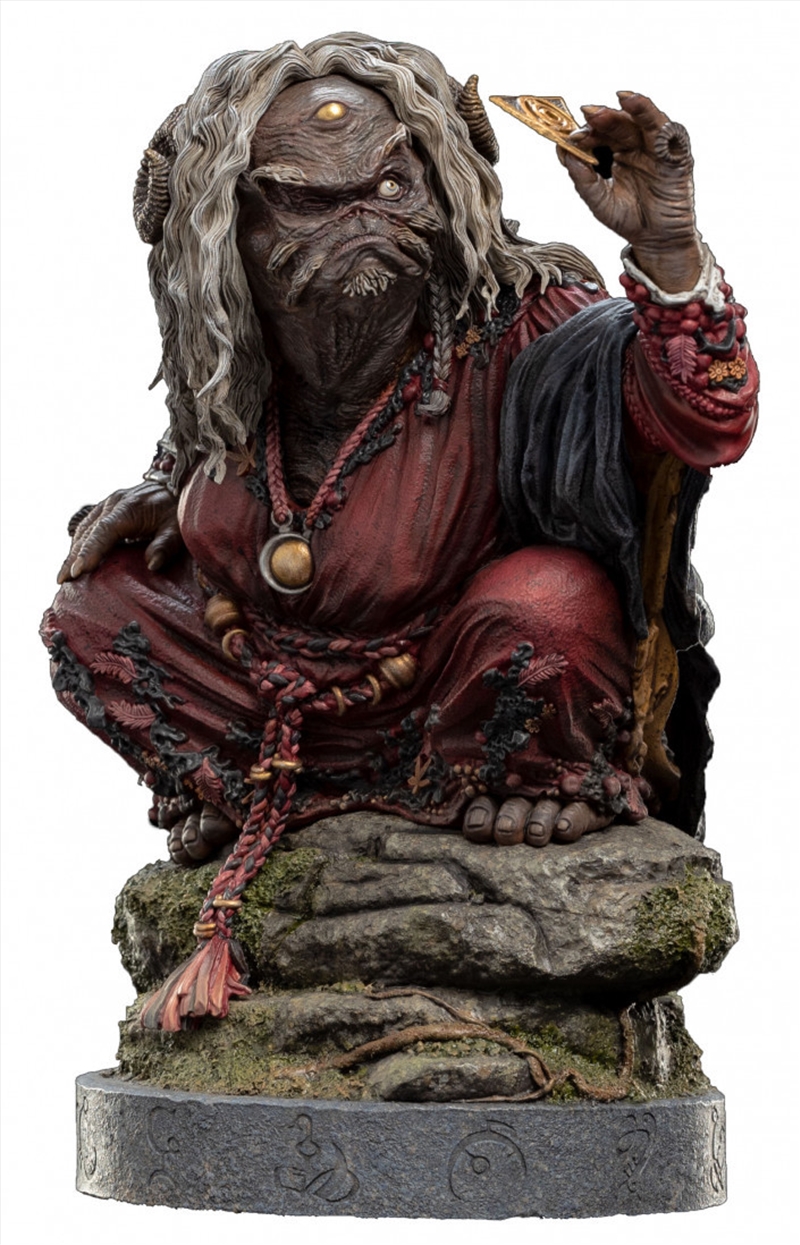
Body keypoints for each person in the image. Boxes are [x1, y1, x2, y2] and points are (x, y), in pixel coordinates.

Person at [42, 34, 757, 1029]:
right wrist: (170, 492)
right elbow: (217, 458)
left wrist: (669, 253)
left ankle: (509, 785)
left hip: (465, 693)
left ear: (445, 183)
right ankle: (280, 796)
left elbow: (702, 420)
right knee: (94, 604)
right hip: (270, 697)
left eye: (390, 185)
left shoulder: (525, 318)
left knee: (547, 607)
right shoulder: (231, 342)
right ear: (221, 225)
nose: (362, 223)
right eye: (307, 200)